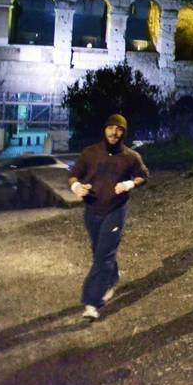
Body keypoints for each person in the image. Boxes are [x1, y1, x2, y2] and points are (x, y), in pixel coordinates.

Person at [69, 114, 149, 321]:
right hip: (92, 210)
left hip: (116, 210)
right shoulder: (90, 153)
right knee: (99, 251)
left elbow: (143, 175)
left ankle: (91, 303)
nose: (114, 132)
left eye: (119, 129)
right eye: (111, 128)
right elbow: (73, 174)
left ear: (124, 132)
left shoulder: (131, 156)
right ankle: (112, 278)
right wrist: (76, 186)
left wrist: (130, 184)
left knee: (104, 255)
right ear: (104, 129)